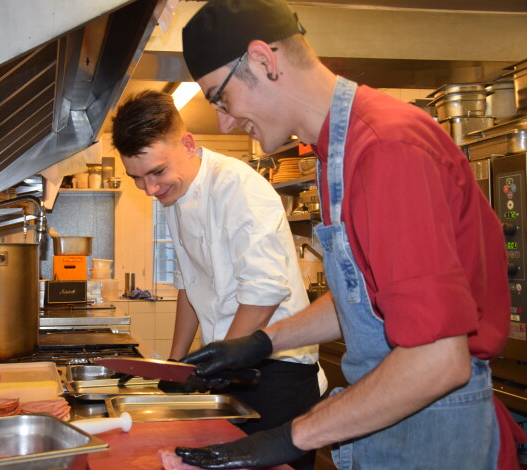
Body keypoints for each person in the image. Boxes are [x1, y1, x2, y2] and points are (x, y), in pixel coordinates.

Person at [171, 0, 527, 469]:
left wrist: (291, 436)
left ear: (263, 60)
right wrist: (262, 343)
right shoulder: (335, 153)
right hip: (389, 422)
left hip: (433, 433)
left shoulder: (386, 148)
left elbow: (438, 360)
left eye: (220, 97)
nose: (224, 121)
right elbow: (364, 299)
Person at [111, 89, 324, 470]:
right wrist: (176, 365)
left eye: (157, 172)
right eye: (137, 178)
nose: (150, 189)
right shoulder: (175, 197)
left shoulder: (238, 187)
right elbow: (189, 284)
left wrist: (217, 362)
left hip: (277, 369)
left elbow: (263, 293)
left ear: (188, 144)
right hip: (231, 366)